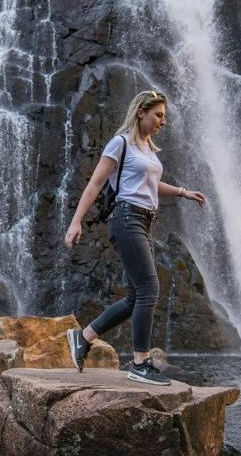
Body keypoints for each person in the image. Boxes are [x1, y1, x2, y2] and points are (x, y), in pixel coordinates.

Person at [63, 90, 207, 386]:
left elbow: (152, 182)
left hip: (143, 221)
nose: (162, 122)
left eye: (164, 117)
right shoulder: (121, 143)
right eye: (158, 115)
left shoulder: (148, 149)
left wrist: (183, 193)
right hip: (126, 218)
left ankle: (84, 336)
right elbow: (96, 182)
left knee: (134, 298)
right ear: (140, 112)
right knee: (149, 289)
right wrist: (75, 221)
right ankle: (140, 362)